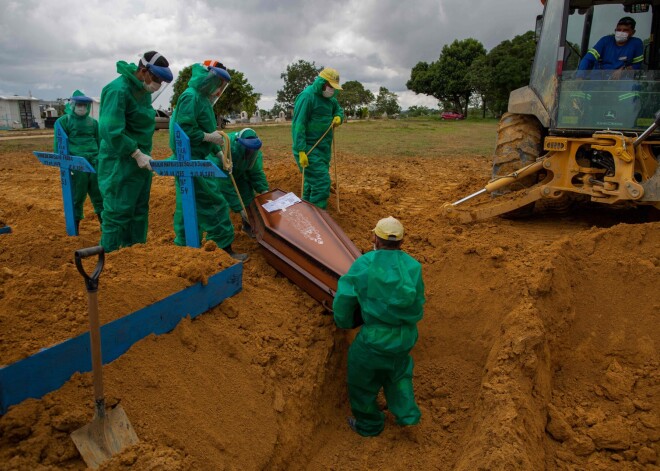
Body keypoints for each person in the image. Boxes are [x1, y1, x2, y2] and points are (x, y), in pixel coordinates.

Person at [333, 216, 426, 437]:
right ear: (402, 242)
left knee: (361, 382)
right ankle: (407, 416)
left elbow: (344, 299)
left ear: (375, 238)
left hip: (374, 340)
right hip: (405, 337)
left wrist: (344, 323)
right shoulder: (413, 267)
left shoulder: (364, 264)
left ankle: (369, 424)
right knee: (399, 375)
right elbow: (418, 304)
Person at [170, 60, 248, 261]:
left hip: (199, 156)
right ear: (207, 77)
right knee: (214, 203)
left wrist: (218, 152)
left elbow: (208, 129)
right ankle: (223, 250)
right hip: (190, 159)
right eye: (218, 82)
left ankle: (184, 247)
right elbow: (185, 129)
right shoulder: (190, 97)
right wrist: (207, 137)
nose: (220, 88)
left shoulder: (203, 99)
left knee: (189, 203)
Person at [97, 51, 173, 252]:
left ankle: (136, 257)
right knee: (117, 212)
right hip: (119, 163)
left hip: (140, 164)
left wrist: (142, 155)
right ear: (143, 71)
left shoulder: (143, 92)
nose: (157, 84)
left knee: (139, 211)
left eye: (161, 81)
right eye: (156, 78)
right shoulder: (118, 91)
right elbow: (110, 130)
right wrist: (135, 153)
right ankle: (110, 259)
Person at [291, 68, 345, 209]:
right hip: (308, 149)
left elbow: (338, 110)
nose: (331, 90)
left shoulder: (330, 100)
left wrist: (339, 117)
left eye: (334, 88)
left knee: (310, 182)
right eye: (329, 86)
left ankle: (307, 212)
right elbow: (299, 125)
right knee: (321, 183)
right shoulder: (307, 97)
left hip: (323, 149)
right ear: (321, 83)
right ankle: (319, 217)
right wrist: (301, 150)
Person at [54, 90, 103, 233]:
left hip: (94, 162)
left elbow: (99, 141)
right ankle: (74, 228)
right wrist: (62, 162)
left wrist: (99, 158)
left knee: (99, 193)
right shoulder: (63, 121)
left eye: (85, 105)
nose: (82, 108)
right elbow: (59, 143)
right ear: (72, 104)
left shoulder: (93, 123)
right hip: (76, 164)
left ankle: (104, 226)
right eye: (79, 104)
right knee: (77, 195)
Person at [218, 128, 269, 238]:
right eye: (248, 149)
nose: (250, 152)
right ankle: (222, 235)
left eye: (253, 150)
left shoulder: (255, 153)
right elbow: (224, 184)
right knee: (221, 201)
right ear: (240, 144)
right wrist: (239, 209)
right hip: (219, 173)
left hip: (239, 172)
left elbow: (256, 172)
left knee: (248, 197)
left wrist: (264, 191)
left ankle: (248, 226)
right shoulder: (226, 148)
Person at [578, 17, 644, 76]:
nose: (621, 32)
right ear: (615, 30)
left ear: (633, 32)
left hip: (622, 82)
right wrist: (580, 77)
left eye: (625, 30)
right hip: (599, 80)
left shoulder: (636, 44)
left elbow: (637, 65)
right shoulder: (605, 41)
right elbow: (587, 59)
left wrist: (624, 70)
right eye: (618, 30)